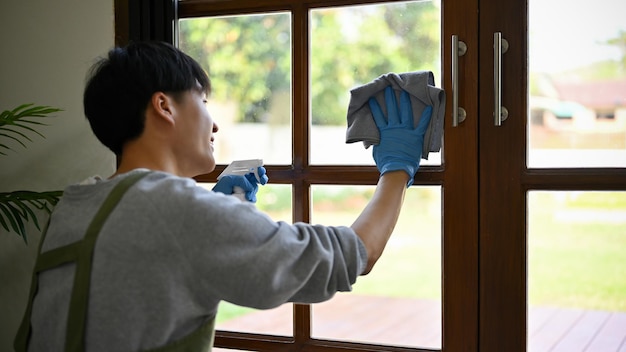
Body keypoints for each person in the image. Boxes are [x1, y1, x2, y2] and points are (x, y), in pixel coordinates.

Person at [15, 41, 430, 351]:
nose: (214, 125)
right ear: (164, 106)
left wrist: (220, 210)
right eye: (204, 100)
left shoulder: (77, 205)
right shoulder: (176, 211)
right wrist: (397, 168)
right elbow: (348, 257)